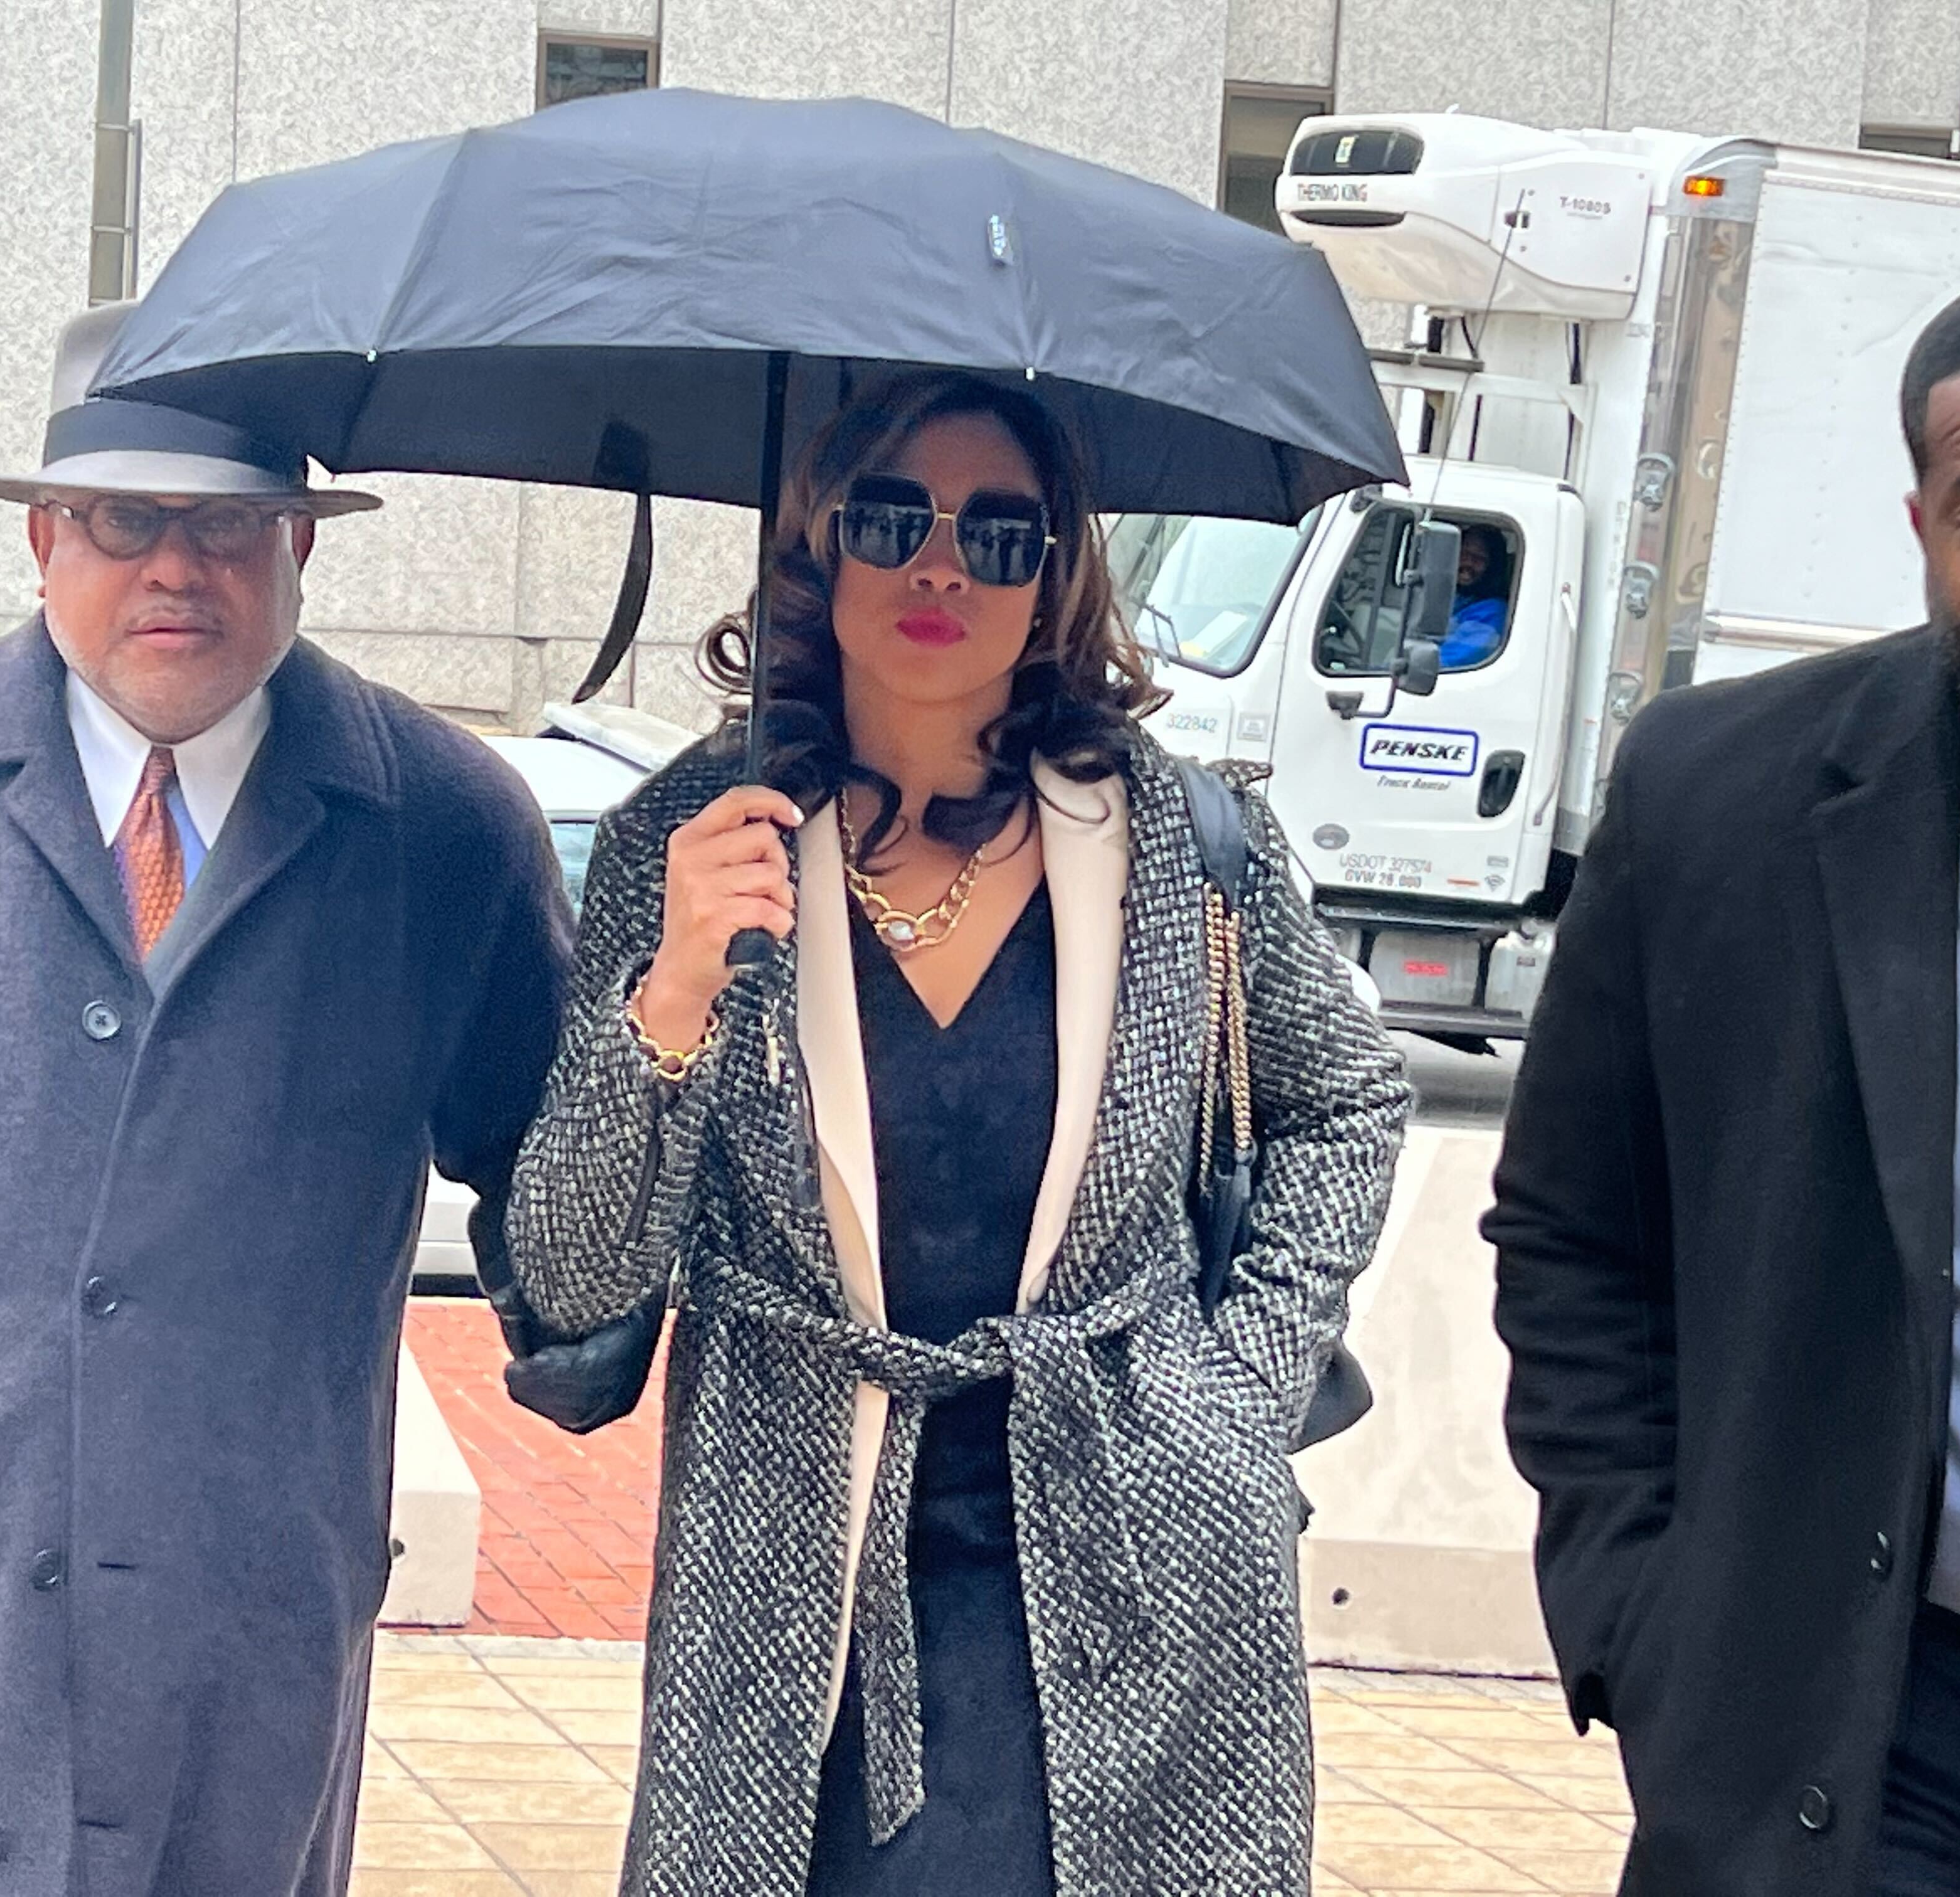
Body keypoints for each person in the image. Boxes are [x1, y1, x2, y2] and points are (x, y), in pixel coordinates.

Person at [508, 369, 1410, 1897]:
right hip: (794, 1559)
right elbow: (577, 1274)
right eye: (892, 518)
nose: (941, 566)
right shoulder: (692, 839)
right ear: (818, 544)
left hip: (1127, 1537)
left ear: (1057, 576)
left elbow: (1346, 1102)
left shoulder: (1179, 841)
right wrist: (669, 998)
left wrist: (1230, 1395)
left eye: (1002, 533)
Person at [0, 300, 574, 1895]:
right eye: (128, 517)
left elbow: (561, 1223)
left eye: (232, 524)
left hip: (233, 1667)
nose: (179, 565)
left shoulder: (448, 836)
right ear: (46, 536)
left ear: (301, 550)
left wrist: (677, 1049)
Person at [1487, 256, 1960, 1894]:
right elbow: (1575, 1237)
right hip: (1884, 1747)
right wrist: (1649, 1622)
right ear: (1925, 530)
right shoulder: (1725, 801)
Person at [1439, 521, 1510, 670]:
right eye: (1464, 554)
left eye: (1479, 558)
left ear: (1492, 567)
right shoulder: (1454, 598)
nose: (1468, 563)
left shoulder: (1493, 611)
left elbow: (1452, 661)